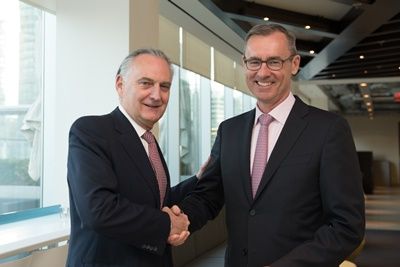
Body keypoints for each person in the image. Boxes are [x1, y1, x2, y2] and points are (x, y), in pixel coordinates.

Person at [175, 24, 365, 267]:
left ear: (294, 64)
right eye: (254, 62)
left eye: (274, 62)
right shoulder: (229, 130)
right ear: (245, 64)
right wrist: (180, 220)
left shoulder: (328, 130)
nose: (262, 73)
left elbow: (347, 226)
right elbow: (209, 196)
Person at [66, 48, 199, 267]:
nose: (157, 95)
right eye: (146, 83)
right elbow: (99, 210)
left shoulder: (149, 141)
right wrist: (167, 225)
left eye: (164, 86)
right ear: (120, 84)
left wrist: (197, 179)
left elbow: (153, 200)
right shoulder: (91, 131)